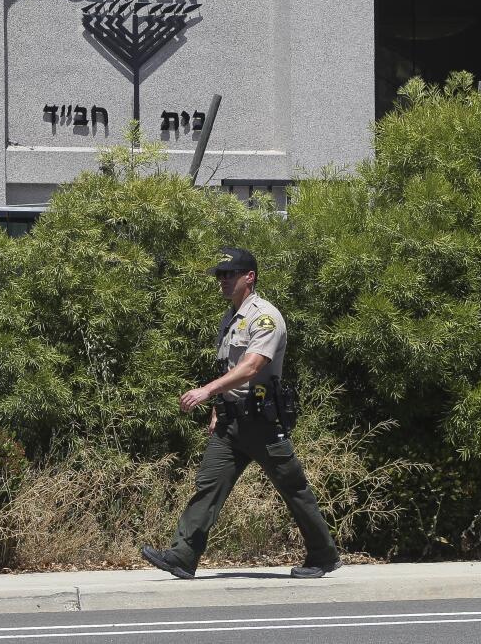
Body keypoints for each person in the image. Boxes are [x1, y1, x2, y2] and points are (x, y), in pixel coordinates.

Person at [140, 247, 342, 580]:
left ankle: (323, 554)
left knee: (293, 489)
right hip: (231, 422)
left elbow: (252, 366)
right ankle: (183, 556)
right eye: (220, 275)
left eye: (229, 274)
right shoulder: (232, 317)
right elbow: (231, 366)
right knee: (208, 485)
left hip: (262, 422)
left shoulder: (265, 317)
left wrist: (208, 390)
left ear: (250, 277)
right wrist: (220, 409)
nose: (222, 281)